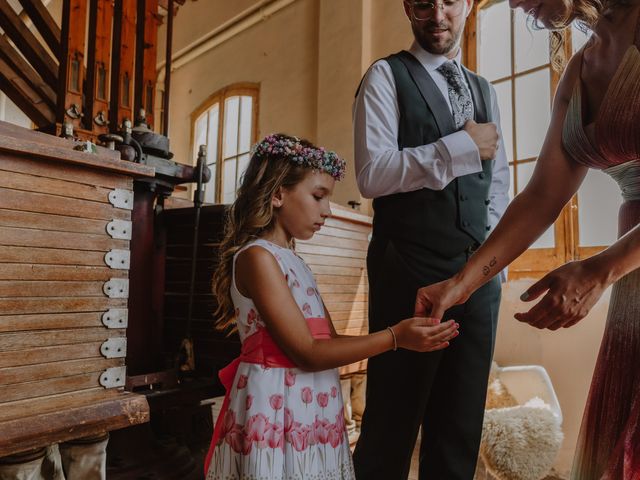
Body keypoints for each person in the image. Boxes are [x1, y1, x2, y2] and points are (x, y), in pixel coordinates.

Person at [414, 0, 640, 477]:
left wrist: (603, 268)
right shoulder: (579, 68)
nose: (514, 2)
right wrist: (462, 283)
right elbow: (540, 198)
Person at [203, 133, 460, 480]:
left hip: (312, 405)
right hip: (276, 406)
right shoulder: (257, 258)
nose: (326, 210)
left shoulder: (295, 261)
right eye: (318, 196)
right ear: (278, 193)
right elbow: (308, 352)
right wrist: (395, 337)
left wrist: (404, 330)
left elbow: (331, 343)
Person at [351, 0, 510, 477]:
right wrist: (462, 147)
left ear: (468, 5)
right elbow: (371, 174)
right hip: (407, 271)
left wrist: (488, 263)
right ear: (406, 7)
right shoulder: (385, 76)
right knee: (390, 427)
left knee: (459, 429)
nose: (437, 15)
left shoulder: (484, 90)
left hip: (477, 279)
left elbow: (497, 184)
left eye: (449, 2)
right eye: (423, 3)